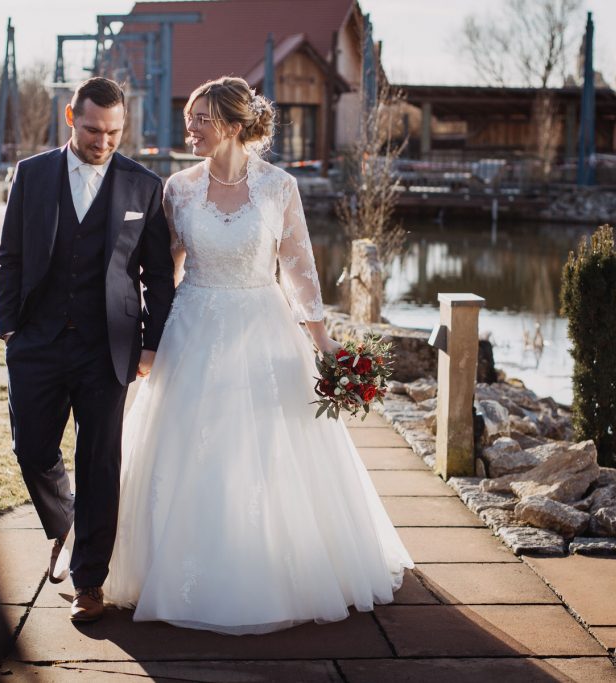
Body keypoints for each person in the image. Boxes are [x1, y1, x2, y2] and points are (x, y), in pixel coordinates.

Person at [103, 77, 414, 635]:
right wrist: (151, 337)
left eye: (198, 118)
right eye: (189, 118)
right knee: (188, 446)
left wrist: (324, 345)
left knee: (266, 446)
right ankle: (174, 569)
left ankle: (272, 566)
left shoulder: (279, 188)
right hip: (193, 326)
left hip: (263, 326)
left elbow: (299, 268)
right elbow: (164, 270)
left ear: (231, 124)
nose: (188, 128)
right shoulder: (178, 188)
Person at [0, 77, 175, 623]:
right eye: (94, 129)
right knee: (32, 450)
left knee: (100, 462)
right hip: (37, 341)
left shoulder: (143, 185)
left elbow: (159, 277)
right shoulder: (32, 173)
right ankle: (67, 523)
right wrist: (10, 328)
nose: (103, 141)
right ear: (71, 118)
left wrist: (150, 344)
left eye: (114, 132)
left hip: (108, 348)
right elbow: (11, 255)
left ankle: (88, 582)